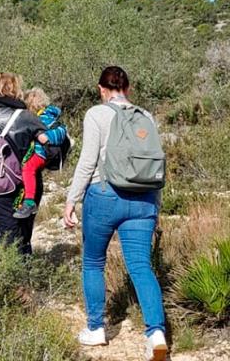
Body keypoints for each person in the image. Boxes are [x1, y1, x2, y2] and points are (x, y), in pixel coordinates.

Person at [63, 66, 167, 360]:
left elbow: (87, 161)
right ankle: (156, 334)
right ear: (128, 89)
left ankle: (96, 329)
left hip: (104, 195)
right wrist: (155, 203)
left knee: (94, 261)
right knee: (141, 266)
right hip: (143, 199)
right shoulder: (145, 116)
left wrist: (72, 199)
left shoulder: (96, 114)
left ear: (101, 90)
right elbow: (155, 165)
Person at [0, 73, 47, 253]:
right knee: (24, 231)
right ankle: (24, 270)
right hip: (26, 182)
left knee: (6, 230)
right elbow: (48, 144)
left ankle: (10, 271)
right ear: (16, 90)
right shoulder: (26, 116)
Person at [14, 88, 68, 219]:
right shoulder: (50, 114)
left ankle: (29, 201)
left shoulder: (41, 117)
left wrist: (45, 137)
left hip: (41, 152)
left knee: (28, 168)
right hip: (45, 152)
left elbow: (54, 133)